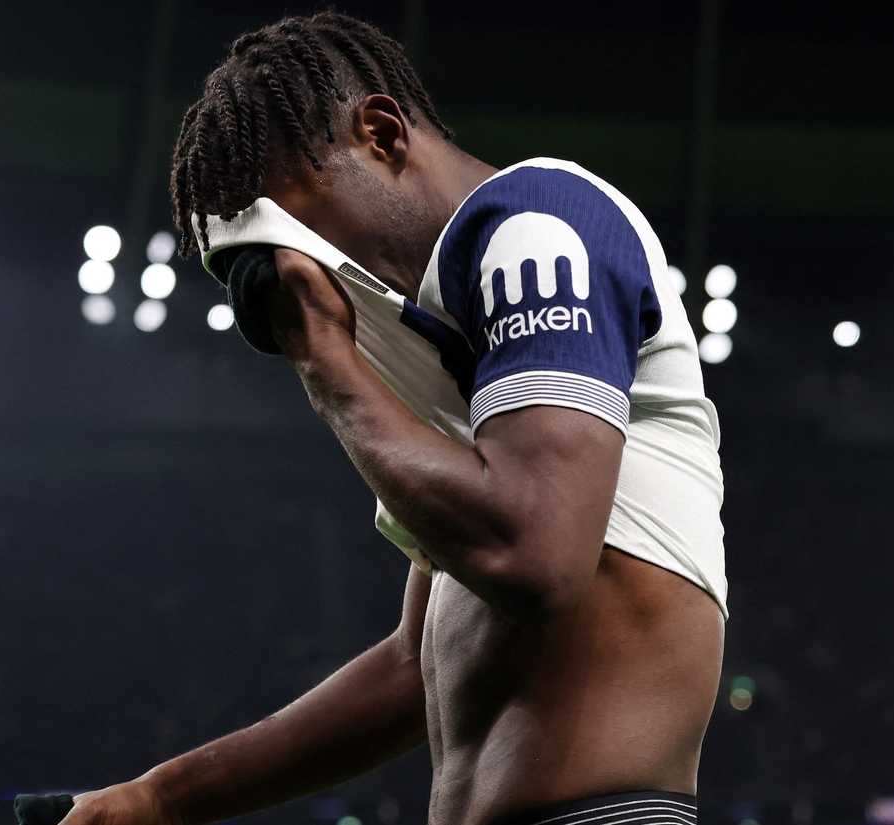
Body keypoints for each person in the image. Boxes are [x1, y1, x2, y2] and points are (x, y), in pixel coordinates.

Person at [43, 12, 727, 825]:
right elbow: (416, 667)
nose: (303, 276)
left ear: (381, 134)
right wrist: (158, 797)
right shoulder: (464, 378)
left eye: (292, 235)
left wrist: (328, 362)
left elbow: (539, 555)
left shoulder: (537, 220)